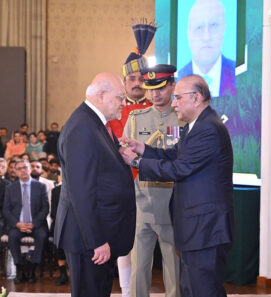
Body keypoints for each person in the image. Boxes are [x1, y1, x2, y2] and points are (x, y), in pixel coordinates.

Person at [120, 75, 235, 297]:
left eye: (178, 98)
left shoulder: (208, 129)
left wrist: (136, 162)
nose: (173, 103)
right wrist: (142, 148)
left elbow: (179, 169)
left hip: (206, 229)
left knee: (204, 290)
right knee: (191, 288)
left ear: (196, 98)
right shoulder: (198, 125)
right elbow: (173, 155)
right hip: (198, 227)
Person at [54, 72, 136, 297]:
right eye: (120, 97)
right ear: (102, 95)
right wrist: (97, 241)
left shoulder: (94, 124)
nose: (124, 103)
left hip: (96, 236)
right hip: (89, 240)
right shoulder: (83, 128)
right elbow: (82, 191)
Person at [123, 64, 181, 297]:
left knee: (173, 268)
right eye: (150, 88)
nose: (154, 94)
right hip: (142, 201)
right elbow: (125, 157)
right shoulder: (137, 118)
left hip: (171, 202)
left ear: (172, 86)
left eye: (160, 88)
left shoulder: (182, 119)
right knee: (138, 267)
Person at [110, 20, 156, 297]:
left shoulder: (157, 108)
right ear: (124, 81)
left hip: (153, 185)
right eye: (132, 79)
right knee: (124, 243)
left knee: (148, 244)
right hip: (123, 186)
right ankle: (127, 291)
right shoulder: (112, 110)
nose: (137, 84)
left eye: (142, 79)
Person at [3, 159, 49, 284]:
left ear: (29, 169)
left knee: (42, 235)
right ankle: (19, 269)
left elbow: (45, 208)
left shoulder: (40, 186)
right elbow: (6, 210)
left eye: (25, 167)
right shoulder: (10, 188)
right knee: (12, 237)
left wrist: (34, 224)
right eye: (19, 168)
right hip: (18, 225)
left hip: (36, 225)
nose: (23, 170)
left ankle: (33, 269)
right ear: (15, 172)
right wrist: (17, 224)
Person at [178, 0, 235, 97]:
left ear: (223, 29)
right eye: (199, 28)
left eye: (213, 25)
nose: (206, 37)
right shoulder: (177, 78)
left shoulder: (237, 73)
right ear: (189, 35)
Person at [0, 158, 10, 238]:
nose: (0, 169)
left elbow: (6, 206)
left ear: (6, 169)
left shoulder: (8, 185)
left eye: (2, 167)